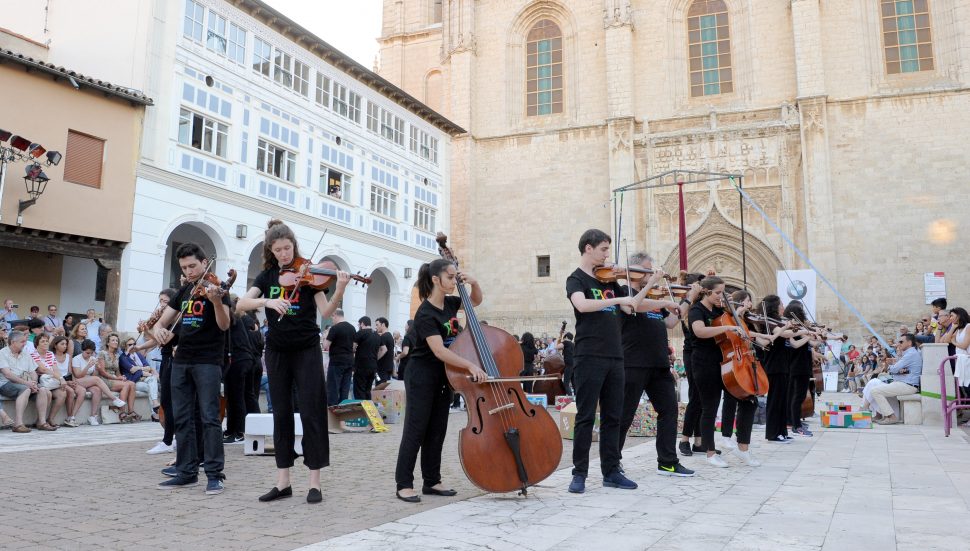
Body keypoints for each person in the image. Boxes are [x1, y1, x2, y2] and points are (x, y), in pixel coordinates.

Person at [236, 220, 350, 504]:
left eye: (287, 248)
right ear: (271, 251)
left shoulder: (308, 272)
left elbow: (325, 309)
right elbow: (240, 304)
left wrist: (340, 289)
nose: (284, 254)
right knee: (281, 413)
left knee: (312, 411)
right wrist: (267, 303)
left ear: (293, 246)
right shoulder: (266, 278)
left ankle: (314, 483)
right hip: (276, 351)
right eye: (278, 250)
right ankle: (283, 481)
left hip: (306, 349)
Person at [394, 258, 487, 503]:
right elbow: (438, 350)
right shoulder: (425, 313)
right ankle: (403, 483)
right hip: (421, 374)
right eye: (450, 277)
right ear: (435, 279)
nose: (454, 282)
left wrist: (474, 282)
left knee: (437, 430)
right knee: (416, 429)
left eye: (456, 277)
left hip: (444, 375)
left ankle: (432, 481)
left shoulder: (451, 303)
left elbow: (475, 301)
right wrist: (469, 364)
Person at [565, 229, 650, 494]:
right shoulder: (576, 279)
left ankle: (611, 471)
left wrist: (648, 284)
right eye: (603, 249)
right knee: (586, 416)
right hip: (589, 354)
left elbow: (630, 306)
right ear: (588, 248)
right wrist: (620, 298)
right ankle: (579, 473)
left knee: (614, 416)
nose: (607, 255)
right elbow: (582, 305)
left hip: (615, 356)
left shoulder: (610, 281)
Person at [150, 242, 232, 496]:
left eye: (193, 266)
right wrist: (159, 330)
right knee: (182, 417)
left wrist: (216, 302)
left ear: (205, 262)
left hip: (207, 360)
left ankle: (214, 474)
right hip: (181, 359)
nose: (189, 272)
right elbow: (160, 323)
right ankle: (186, 472)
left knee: (209, 418)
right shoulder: (184, 290)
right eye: (185, 268)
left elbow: (224, 324)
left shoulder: (217, 289)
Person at [616, 252, 694, 477]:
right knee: (625, 414)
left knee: (669, 410)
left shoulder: (653, 296)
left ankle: (667, 461)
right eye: (647, 270)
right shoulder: (624, 292)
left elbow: (670, 322)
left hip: (658, 363)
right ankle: (613, 461)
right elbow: (633, 306)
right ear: (635, 270)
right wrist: (656, 289)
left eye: (652, 270)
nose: (652, 274)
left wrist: (687, 300)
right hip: (633, 362)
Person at [688, 276, 765, 468]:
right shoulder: (697, 310)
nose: (720, 296)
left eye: (722, 292)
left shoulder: (721, 310)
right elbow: (699, 331)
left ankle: (742, 447)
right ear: (706, 292)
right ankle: (710, 453)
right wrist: (728, 326)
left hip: (729, 363)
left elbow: (738, 332)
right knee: (710, 408)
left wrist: (734, 313)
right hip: (705, 363)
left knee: (749, 400)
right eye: (717, 292)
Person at [138, 289, 179, 454]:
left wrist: (148, 330)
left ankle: (169, 441)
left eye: (165, 301)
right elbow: (156, 340)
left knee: (170, 402)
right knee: (167, 401)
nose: (161, 304)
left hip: (174, 360)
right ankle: (170, 438)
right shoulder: (165, 320)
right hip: (166, 359)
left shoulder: (177, 318)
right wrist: (140, 346)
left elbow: (162, 339)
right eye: (160, 300)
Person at [0, 330, 54, 432]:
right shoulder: (2, 353)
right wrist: (27, 384)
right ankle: (18, 424)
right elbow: (8, 374)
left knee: (42, 389)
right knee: (25, 389)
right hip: (6, 384)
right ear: (13, 342)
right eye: (22, 342)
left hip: (25, 384)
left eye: (25, 341)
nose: (25, 344)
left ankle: (41, 422)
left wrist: (33, 383)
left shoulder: (25, 354)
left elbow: (33, 372)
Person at [678, 274, 706, 456]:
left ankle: (699, 441)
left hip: (704, 355)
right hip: (692, 354)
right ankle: (684, 440)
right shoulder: (688, 307)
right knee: (695, 397)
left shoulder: (702, 306)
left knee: (702, 398)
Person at [222, 299, 257, 444]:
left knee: (236, 397)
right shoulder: (235, 318)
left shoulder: (230, 319)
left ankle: (239, 432)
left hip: (239, 360)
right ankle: (233, 430)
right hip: (244, 359)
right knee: (237, 396)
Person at [869, 333, 923, 425]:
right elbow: (896, 369)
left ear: (909, 342)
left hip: (908, 385)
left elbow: (894, 369)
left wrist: (892, 366)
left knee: (875, 391)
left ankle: (891, 416)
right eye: (899, 342)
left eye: (901, 342)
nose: (899, 344)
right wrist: (896, 368)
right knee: (879, 387)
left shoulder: (911, 354)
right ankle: (886, 415)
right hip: (903, 383)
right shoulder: (909, 353)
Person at [71, 338, 125, 426]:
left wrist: (97, 368)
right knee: (96, 379)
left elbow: (94, 375)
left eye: (91, 353)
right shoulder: (76, 359)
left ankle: (92, 416)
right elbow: (77, 375)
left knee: (97, 390)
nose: (89, 355)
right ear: (82, 350)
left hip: (89, 381)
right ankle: (114, 399)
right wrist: (88, 366)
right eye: (87, 353)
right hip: (78, 381)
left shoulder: (92, 358)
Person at [783, 301, 815, 437]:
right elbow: (796, 344)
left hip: (803, 364)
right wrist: (809, 334)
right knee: (798, 396)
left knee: (797, 395)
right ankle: (796, 425)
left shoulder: (800, 329)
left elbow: (812, 343)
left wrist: (817, 335)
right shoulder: (793, 329)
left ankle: (795, 422)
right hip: (797, 365)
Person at [30, 333, 73, 427]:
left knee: (62, 393)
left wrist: (61, 380)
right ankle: (40, 421)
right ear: (37, 344)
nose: (46, 343)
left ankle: (50, 418)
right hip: (40, 382)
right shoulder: (33, 355)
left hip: (51, 381)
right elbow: (42, 369)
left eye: (46, 341)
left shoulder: (50, 354)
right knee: (47, 393)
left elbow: (56, 369)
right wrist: (61, 378)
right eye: (42, 341)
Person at [97, 333, 138, 422]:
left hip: (114, 378)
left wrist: (121, 377)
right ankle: (122, 412)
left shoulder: (117, 356)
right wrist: (117, 378)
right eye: (113, 340)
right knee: (125, 385)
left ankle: (131, 411)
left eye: (116, 340)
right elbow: (102, 372)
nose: (115, 342)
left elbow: (117, 372)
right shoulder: (102, 353)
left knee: (132, 384)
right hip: (104, 379)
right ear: (108, 343)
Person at [120, 337, 160, 415]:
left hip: (144, 379)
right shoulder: (123, 357)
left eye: (134, 344)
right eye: (130, 345)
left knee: (153, 379)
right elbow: (131, 370)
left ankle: (155, 405)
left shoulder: (138, 354)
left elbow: (148, 368)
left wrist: (138, 369)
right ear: (125, 346)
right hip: (134, 381)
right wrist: (142, 372)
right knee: (150, 388)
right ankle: (155, 413)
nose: (133, 346)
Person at [323, 309, 355, 406]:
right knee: (344, 390)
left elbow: (325, 345)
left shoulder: (335, 328)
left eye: (332, 317)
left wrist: (326, 335)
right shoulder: (352, 328)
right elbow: (354, 346)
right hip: (349, 361)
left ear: (335, 315)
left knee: (333, 389)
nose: (332, 320)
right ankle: (343, 415)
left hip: (336, 361)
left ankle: (332, 416)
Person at [352, 316, 381, 401]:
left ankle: (361, 412)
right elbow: (382, 349)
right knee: (368, 390)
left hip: (362, 366)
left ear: (362, 324)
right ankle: (369, 412)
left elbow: (353, 347)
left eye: (359, 324)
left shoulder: (361, 333)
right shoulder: (377, 335)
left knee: (359, 391)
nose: (359, 326)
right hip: (373, 366)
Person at [375, 317, 395, 388]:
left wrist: (375, 359)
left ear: (383, 324)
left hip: (382, 369)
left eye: (377, 325)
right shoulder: (390, 336)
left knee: (379, 389)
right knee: (385, 390)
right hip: (388, 368)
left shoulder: (383, 337)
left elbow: (384, 350)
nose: (376, 327)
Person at [560, 331, 575, 395]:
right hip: (574, 366)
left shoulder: (566, 342)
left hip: (568, 366)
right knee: (574, 384)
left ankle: (570, 397)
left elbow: (556, 347)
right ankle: (576, 399)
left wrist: (559, 338)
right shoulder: (573, 344)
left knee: (566, 383)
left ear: (566, 337)